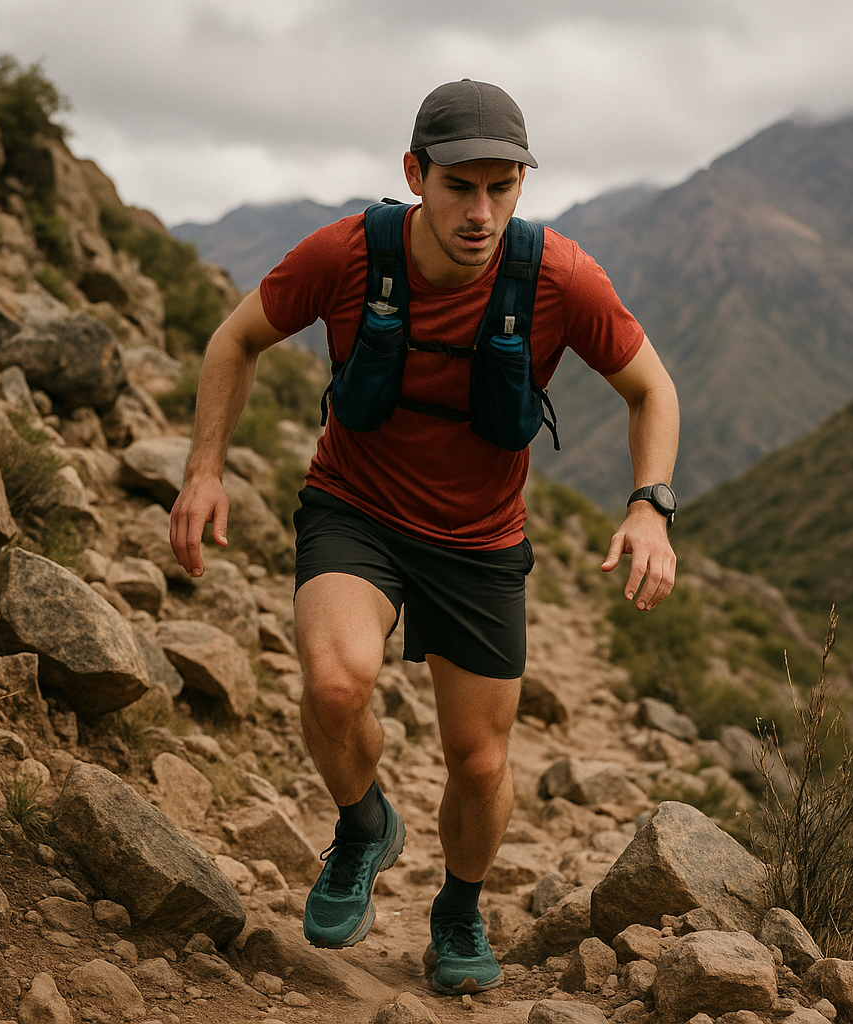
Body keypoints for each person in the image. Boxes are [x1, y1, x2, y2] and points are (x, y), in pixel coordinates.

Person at [169, 79, 680, 995]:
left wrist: (651, 504)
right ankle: (364, 825)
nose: (482, 212)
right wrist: (204, 468)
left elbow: (652, 388)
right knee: (333, 682)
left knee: (478, 760)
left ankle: (457, 908)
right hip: (356, 510)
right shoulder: (347, 256)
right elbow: (235, 339)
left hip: (481, 542)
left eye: (503, 187)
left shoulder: (558, 276)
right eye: (460, 187)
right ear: (416, 173)